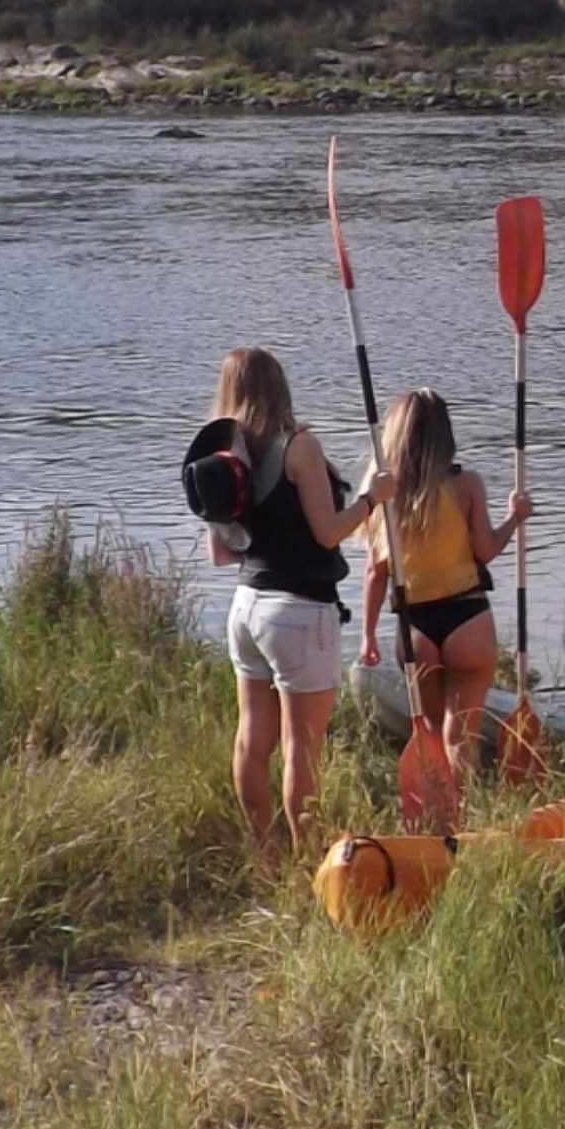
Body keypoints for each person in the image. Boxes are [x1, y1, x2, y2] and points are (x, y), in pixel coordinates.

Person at [195, 347, 377, 866]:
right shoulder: (300, 447)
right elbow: (328, 533)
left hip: (246, 607)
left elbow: (221, 552)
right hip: (299, 610)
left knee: (253, 739)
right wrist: (371, 500)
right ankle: (306, 863)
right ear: (280, 387)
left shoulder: (222, 459)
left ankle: (263, 856)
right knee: (303, 748)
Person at [353, 389, 526, 796]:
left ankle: (438, 818)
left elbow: (375, 572)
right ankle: (466, 814)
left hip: (416, 626)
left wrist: (367, 635)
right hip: (468, 616)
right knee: (460, 737)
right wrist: (513, 519)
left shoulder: (384, 494)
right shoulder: (467, 484)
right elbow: (485, 550)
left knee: (430, 733)